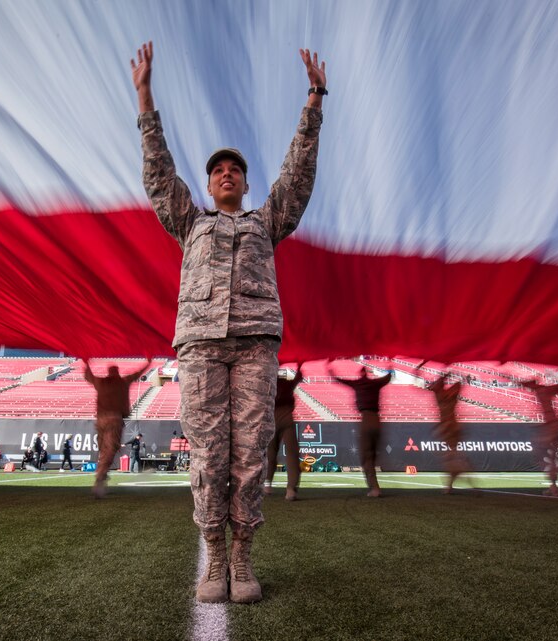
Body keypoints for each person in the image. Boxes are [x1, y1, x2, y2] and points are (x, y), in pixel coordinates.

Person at [133, 40, 326, 604]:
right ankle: (213, 556)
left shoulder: (267, 222)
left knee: (250, 451)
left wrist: (314, 101)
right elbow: (157, 171)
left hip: (255, 344)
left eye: (234, 170)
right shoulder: (189, 222)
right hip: (199, 345)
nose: (225, 174)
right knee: (208, 452)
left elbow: (298, 175)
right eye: (217, 169)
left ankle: (242, 559)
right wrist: (145, 97)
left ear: (244, 183)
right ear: (209, 181)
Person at [83, 359, 151, 497]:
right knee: (109, 451)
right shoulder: (123, 382)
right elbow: (137, 373)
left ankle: (101, 477)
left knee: (104, 451)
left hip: (100, 420)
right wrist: (148, 362)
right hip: (114, 419)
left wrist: (86, 362)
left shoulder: (100, 382)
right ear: (118, 372)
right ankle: (100, 480)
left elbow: (87, 376)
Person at [335, 366, 392, 498]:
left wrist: (331, 370)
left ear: (360, 374)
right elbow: (388, 377)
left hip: (366, 419)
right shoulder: (375, 383)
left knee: (366, 457)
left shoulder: (358, 383)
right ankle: (376, 485)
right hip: (377, 420)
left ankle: (374, 488)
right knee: (373, 455)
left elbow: (341, 380)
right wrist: (390, 366)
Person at [265, 366, 304, 501]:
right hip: (287, 417)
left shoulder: (267, 384)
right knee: (292, 454)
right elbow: (299, 376)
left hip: (272, 418)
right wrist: (300, 363)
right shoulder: (287, 383)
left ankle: (267, 484)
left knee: (271, 454)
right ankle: (291, 490)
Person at [429, 372, 470, 494]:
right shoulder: (452, 392)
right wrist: (450, 375)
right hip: (454, 425)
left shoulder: (439, 393)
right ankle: (453, 482)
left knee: (449, 457)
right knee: (451, 455)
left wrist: (446, 375)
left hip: (447, 427)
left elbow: (433, 385)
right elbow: (460, 383)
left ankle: (455, 480)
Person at [524, 380, 558, 496]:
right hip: (554, 425)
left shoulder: (542, 390)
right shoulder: (545, 390)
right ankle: (553, 486)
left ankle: (553, 485)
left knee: (541, 452)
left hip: (552, 426)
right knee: (550, 457)